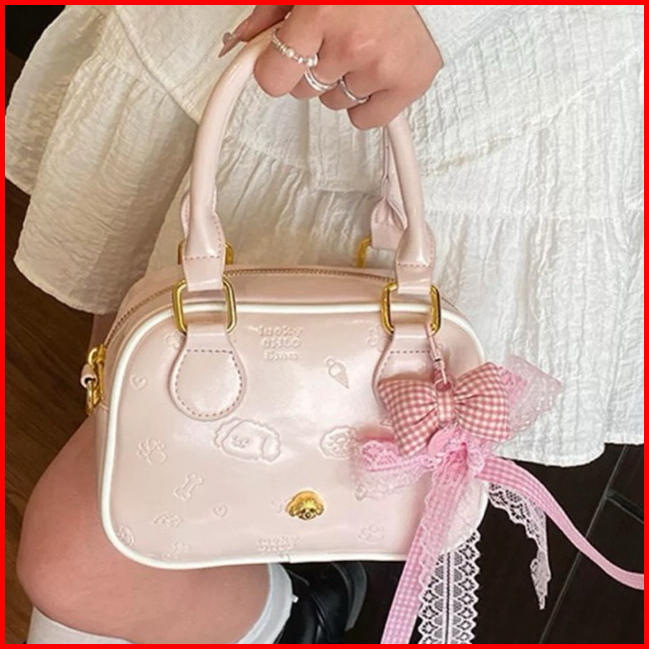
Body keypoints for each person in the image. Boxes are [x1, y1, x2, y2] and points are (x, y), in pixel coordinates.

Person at [5, 5, 644, 645]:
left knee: (92, 532)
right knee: (134, 399)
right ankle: (286, 612)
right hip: (235, 39)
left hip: (475, 79)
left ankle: (279, 609)